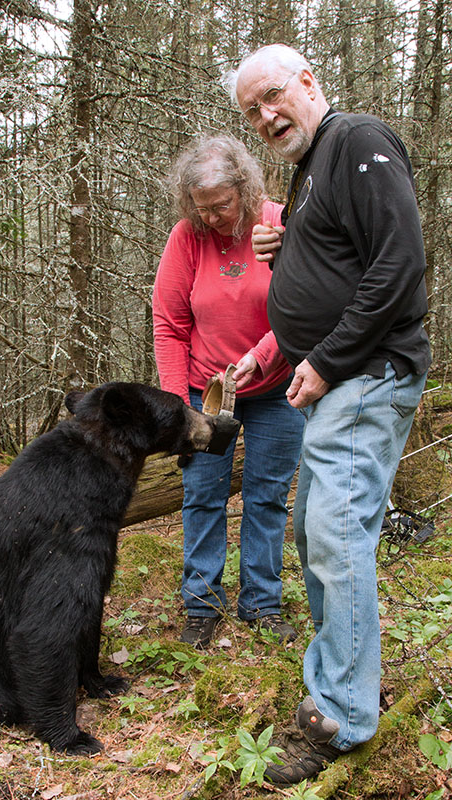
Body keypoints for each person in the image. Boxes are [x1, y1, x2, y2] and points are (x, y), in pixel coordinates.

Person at [226, 44, 431, 784]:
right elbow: (337, 283)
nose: (266, 116)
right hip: (336, 380)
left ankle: (341, 712)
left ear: (309, 81)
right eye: (252, 111)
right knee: (318, 540)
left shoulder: (358, 140)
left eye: (274, 95)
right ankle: (346, 679)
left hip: (367, 377)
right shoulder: (311, 170)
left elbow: (400, 263)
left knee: (336, 537)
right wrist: (274, 345)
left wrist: (322, 361)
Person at [152, 134, 304, 650]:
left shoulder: (277, 223)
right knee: (202, 495)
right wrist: (177, 405)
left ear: (245, 187)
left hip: (276, 389)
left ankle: (261, 602)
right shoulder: (187, 238)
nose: (213, 217)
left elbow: (301, 306)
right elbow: (169, 323)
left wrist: (257, 359)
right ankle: (203, 604)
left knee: (266, 497)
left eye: (222, 205)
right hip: (206, 397)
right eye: (202, 209)